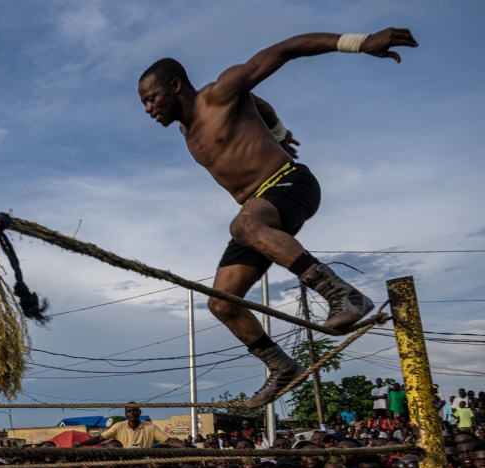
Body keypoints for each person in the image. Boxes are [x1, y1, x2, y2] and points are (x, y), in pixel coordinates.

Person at [138, 29, 417, 405]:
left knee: (243, 225)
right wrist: (278, 130)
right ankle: (281, 366)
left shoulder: (220, 94)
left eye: (151, 99)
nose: (148, 109)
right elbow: (259, 104)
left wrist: (360, 42)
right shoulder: (189, 129)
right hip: (259, 215)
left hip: (290, 183)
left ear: (174, 86)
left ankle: (344, 295)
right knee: (222, 303)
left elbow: (285, 50)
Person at [79, 404, 183, 448]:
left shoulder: (150, 426)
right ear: (126, 414)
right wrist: (80, 444)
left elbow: (169, 440)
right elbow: (100, 438)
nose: (132, 413)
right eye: (129, 411)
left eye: (134, 411)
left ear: (139, 412)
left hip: (144, 462)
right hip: (125, 462)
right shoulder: (119, 426)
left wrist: (185, 447)